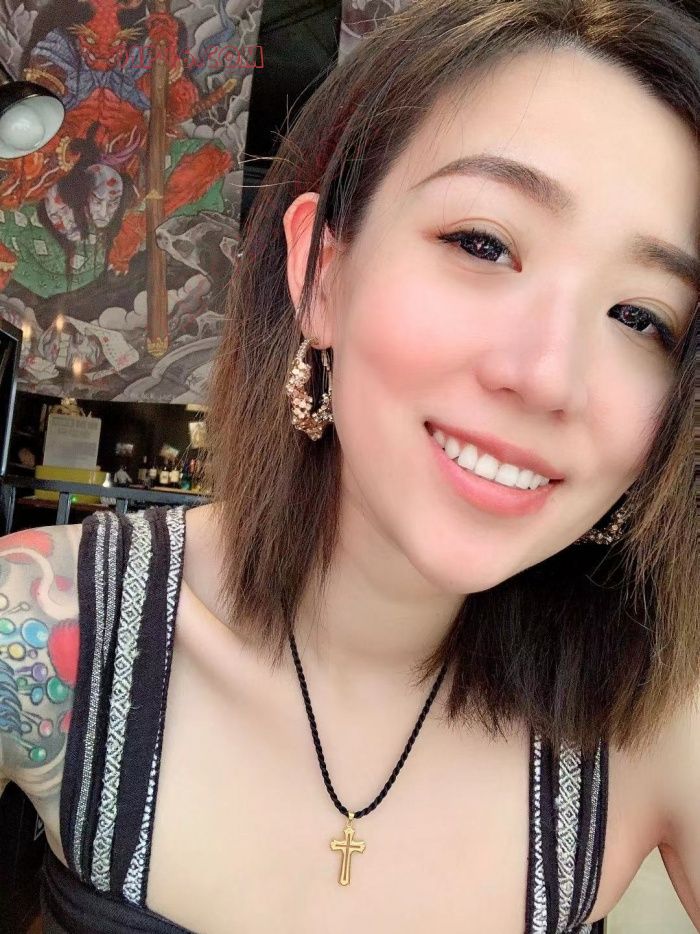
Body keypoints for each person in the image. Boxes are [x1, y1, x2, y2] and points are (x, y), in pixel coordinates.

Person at [0, 0, 698, 930]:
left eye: (642, 318)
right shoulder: (38, 626)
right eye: (483, 244)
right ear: (320, 274)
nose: (547, 377)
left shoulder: (656, 718)